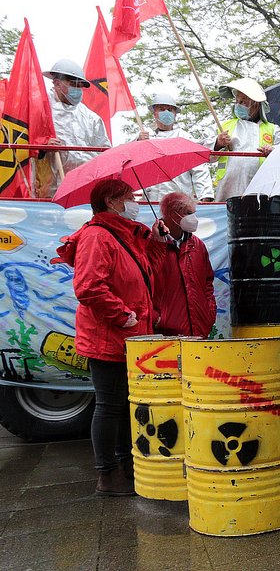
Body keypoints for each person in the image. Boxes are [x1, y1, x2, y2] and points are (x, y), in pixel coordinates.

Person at [54, 178, 167, 496]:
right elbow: (88, 287)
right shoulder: (97, 236)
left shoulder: (125, 236)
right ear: (111, 202)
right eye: (129, 197)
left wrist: (156, 242)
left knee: (123, 405)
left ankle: (126, 466)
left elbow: (146, 274)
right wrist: (122, 315)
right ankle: (107, 475)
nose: (136, 202)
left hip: (130, 337)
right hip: (109, 336)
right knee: (109, 406)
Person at [40, 59, 111, 197]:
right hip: (47, 190)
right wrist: (42, 145)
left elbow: (104, 153)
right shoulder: (40, 109)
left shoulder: (92, 118)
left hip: (84, 189)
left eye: (80, 86)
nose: (77, 90)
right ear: (57, 83)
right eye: (73, 84)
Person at [211, 78, 280, 201]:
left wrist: (274, 150)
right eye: (237, 101)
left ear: (256, 104)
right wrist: (217, 143)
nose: (238, 105)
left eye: (243, 102)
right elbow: (205, 155)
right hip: (227, 190)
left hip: (261, 191)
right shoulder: (224, 126)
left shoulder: (273, 129)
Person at [153, 192, 216, 338]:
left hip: (199, 330)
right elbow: (142, 287)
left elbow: (208, 282)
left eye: (193, 213)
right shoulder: (152, 246)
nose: (193, 218)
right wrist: (157, 318)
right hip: (165, 335)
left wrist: (209, 312)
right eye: (188, 213)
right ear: (172, 214)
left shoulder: (198, 245)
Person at [136, 93, 214, 202]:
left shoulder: (185, 138)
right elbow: (129, 161)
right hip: (151, 202)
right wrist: (138, 143)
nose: (166, 112)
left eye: (170, 110)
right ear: (154, 113)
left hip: (180, 200)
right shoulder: (144, 138)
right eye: (162, 109)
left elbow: (199, 168)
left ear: (175, 114)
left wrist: (205, 196)